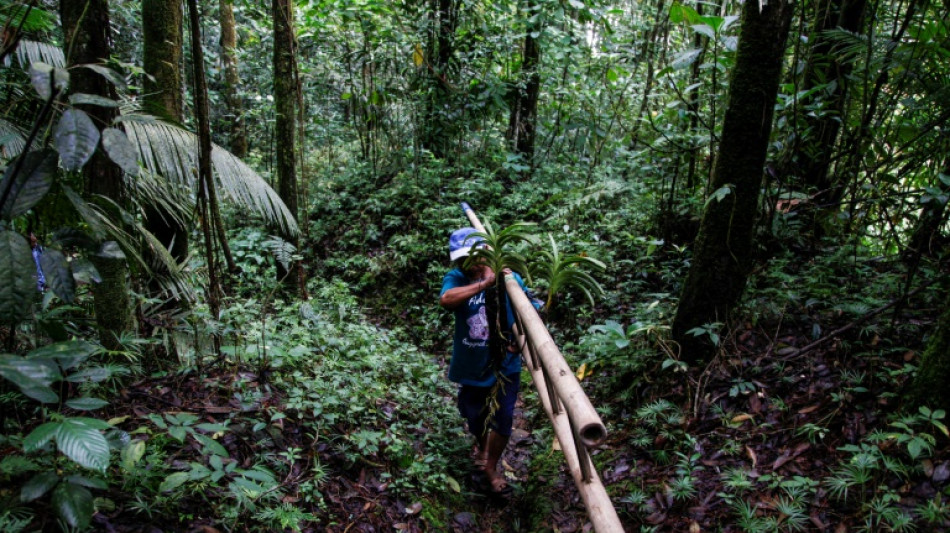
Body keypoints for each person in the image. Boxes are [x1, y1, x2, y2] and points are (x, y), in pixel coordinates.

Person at [438, 227, 537, 494]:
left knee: (503, 417)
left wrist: (520, 340)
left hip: (505, 365)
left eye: (469, 258)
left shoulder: (510, 278)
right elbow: (446, 299)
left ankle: (491, 467)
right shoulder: (456, 278)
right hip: (471, 364)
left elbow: (532, 312)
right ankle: (481, 446)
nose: (464, 264)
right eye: (460, 260)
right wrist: (484, 283)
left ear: (483, 254)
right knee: (475, 415)